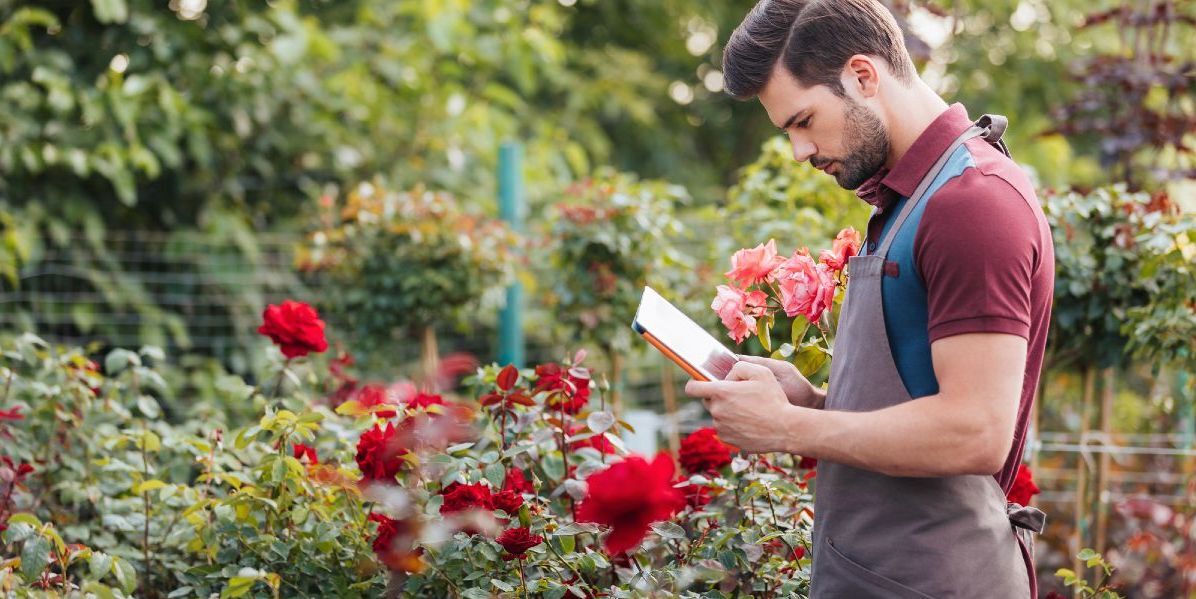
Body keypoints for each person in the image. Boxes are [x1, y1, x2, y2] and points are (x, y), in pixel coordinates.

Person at [683, 1, 1055, 597]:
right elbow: (922, 397)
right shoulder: (910, 200)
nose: (799, 151)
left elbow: (974, 430)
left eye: (803, 121)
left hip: (937, 579)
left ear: (862, 76)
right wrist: (813, 400)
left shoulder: (972, 202)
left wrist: (790, 427)